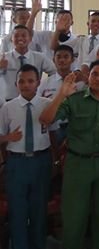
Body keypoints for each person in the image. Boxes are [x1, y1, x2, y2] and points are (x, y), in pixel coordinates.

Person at [39, 59, 99, 249]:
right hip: (78, 163)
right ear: (88, 76)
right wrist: (61, 94)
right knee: (74, 214)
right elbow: (45, 119)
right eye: (95, 74)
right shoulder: (74, 99)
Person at [0, 64, 54, 249]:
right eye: (21, 81)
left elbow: (54, 133)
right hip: (17, 163)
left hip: (41, 161)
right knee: (18, 211)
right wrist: (8, 137)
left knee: (39, 210)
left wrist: (55, 160)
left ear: (38, 83)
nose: (26, 85)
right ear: (16, 84)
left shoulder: (47, 104)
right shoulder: (8, 108)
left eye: (30, 81)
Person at [0, 25, 56, 101]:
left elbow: (55, 72)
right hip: (9, 100)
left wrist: (46, 88)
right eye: (16, 36)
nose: (20, 38)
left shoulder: (40, 57)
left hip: (34, 100)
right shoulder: (3, 58)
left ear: (30, 39)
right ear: (11, 39)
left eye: (23, 35)